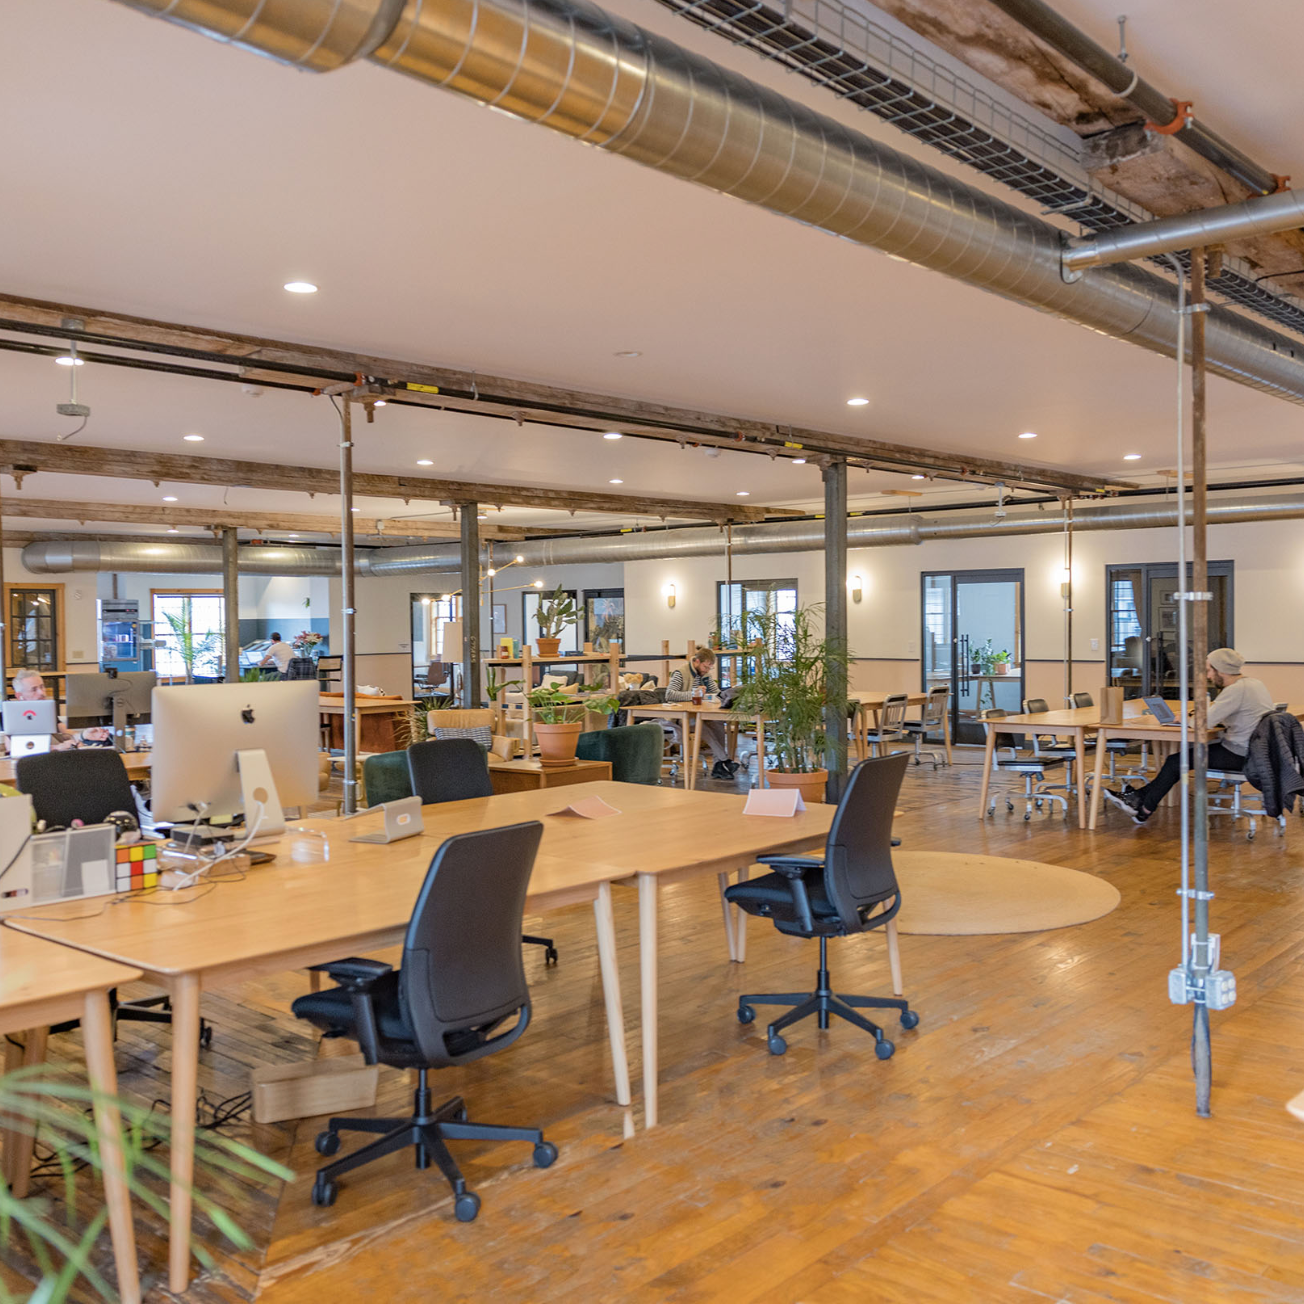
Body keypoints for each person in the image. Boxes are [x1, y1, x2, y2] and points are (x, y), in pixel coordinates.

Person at [1104, 648, 1274, 825]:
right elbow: (1227, 714)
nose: (1208, 676)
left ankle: (1143, 809)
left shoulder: (1235, 690)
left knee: (1175, 762)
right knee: (1182, 758)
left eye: (1209, 670)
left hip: (1239, 754)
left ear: (1221, 670)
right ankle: (1139, 800)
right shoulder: (1255, 684)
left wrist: (1184, 719)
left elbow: (1204, 723)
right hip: (1255, 752)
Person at [666, 648, 737, 779]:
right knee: (700, 725)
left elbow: (717, 693)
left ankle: (718, 766)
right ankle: (725, 759)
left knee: (717, 722)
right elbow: (669, 694)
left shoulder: (705, 676)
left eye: (710, 668)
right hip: (682, 717)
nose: (707, 670)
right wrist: (693, 694)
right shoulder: (681, 673)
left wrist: (725, 696)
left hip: (699, 714)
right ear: (697, 661)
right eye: (705, 667)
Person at [4, 669, 109, 751]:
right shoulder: (11, 715)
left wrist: (84, 735)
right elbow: (12, 748)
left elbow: (66, 733)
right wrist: (57, 748)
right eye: (34, 689)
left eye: (42, 687)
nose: (42, 693)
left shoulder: (46, 711)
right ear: (20, 696)